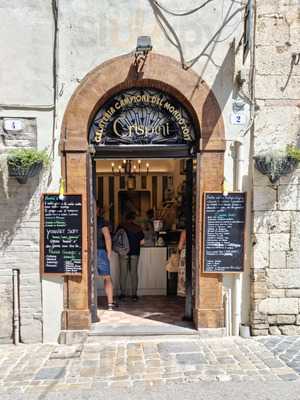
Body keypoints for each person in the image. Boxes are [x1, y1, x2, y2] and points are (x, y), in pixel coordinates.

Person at [118, 211, 144, 301]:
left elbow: (116, 238)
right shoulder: (138, 228)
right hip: (135, 252)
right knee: (134, 273)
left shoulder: (121, 226)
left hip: (123, 252)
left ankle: (122, 294)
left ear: (125, 218)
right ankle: (134, 295)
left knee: (123, 273)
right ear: (134, 219)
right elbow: (142, 242)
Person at [97, 206, 117, 311]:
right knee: (107, 277)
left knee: (87, 278)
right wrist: (108, 253)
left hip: (86, 251)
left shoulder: (82, 217)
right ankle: (110, 304)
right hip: (100, 252)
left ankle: (88, 304)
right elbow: (107, 237)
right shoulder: (101, 221)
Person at [177, 229, 186, 297]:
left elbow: (180, 246)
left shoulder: (184, 232)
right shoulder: (198, 230)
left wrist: (178, 250)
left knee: (183, 273)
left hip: (185, 254)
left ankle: (183, 291)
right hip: (195, 253)